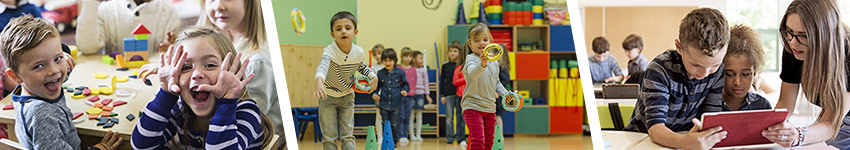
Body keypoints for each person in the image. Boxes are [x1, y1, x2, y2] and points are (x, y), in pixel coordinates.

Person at [2, 15, 119, 150]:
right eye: (39, 66)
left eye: (57, 58)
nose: (54, 71)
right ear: (16, 76)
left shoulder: (30, 88)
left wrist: (63, 56)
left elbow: (62, 73)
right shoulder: (42, 114)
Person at [624, 8, 730, 150]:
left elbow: (710, 118)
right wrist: (685, 142)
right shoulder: (660, 69)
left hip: (684, 138)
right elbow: (655, 128)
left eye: (714, 65)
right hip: (642, 140)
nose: (705, 73)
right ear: (679, 47)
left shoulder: (717, 72)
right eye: (695, 64)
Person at [765, 0, 850, 147]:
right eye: (789, 31)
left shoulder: (847, 55)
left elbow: (831, 123)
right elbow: (785, 103)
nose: (793, 42)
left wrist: (798, 135)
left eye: (803, 35)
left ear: (824, 35)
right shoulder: (795, 48)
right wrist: (770, 127)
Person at [312, 11, 377, 150]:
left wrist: (373, 77)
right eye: (338, 28)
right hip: (327, 97)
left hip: (347, 97)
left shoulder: (358, 52)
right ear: (332, 34)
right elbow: (323, 65)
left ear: (355, 32)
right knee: (329, 137)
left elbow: (362, 66)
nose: (343, 31)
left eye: (348, 28)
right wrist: (318, 79)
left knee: (347, 135)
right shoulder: (329, 51)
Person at [461, 23, 510, 150]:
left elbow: (497, 83)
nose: (481, 43)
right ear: (470, 44)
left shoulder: (494, 61)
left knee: (489, 143)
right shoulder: (470, 59)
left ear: (490, 41)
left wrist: (506, 94)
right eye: (476, 40)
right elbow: (473, 75)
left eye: (485, 39)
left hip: (489, 108)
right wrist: (482, 64)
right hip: (472, 106)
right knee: (478, 141)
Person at [76, 0, 180, 54]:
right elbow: (87, 47)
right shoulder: (107, 10)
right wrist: (91, 3)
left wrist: (169, 51)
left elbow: (175, 53)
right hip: (116, 80)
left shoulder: (169, 12)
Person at [721, 25, 772, 111]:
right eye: (729, 74)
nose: (737, 82)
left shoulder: (762, 106)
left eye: (745, 74)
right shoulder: (709, 105)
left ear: (754, 74)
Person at [371, 48, 408, 147]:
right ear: (382, 61)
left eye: (390, 61)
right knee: (385, 123)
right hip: (384, 103)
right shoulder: (380, 73)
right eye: (385, 61)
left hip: (396, 103)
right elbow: (377, 86)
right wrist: (375, 93)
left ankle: (394, 142)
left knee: (395, 124)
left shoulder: (400, 72)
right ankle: (386, 141)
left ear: (394, 61)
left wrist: (405, 90)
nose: (388, 63)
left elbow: (405, 84)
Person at [441, 41, 466, 144]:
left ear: (460, 53)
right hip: (448, 95)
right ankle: (450, 138)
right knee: (449, 118)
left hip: (460, 95)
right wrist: (442, 95)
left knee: (461, 117)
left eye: (455, 51)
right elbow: (442, 81)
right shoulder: (445, 66)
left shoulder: (462, 66)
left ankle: (461, 138)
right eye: (450, 51)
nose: (452, 53)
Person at [397, 48, 417, 144]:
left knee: (408, 116)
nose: (408, 58)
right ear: (401, 57)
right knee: (401, 116)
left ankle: (405, 135)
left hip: (410, 96)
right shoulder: (399, 69)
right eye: (406, 56)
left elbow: (414, 82)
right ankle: (401, 135)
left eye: (410, 56)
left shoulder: (413, 69)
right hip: (400, 96)